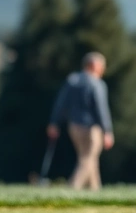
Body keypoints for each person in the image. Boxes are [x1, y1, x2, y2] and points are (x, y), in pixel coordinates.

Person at [47, 51, 114, 190]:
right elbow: (101, 110)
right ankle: (73, 188)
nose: (103, 69)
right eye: (102, 66)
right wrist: (107, 130)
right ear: (94, 66)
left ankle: (95, 190)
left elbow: (61, 104)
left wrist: (54, 123)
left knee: (89, 158)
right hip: (91, 129)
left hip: (74, 127)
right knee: (88, 159)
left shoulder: (72, 80)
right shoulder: (96, 84)